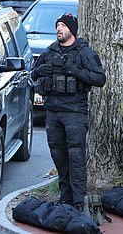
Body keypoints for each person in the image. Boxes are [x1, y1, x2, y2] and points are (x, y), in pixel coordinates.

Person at [31, 13, 106, 209]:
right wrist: (40, 71)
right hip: (53, 112)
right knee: (59, 156)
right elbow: (33, 74)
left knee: (76, 156)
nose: (59, 29)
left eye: (63, 26)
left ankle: (79, 201)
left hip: (74, 112)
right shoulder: (50, 51)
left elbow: (100, 79)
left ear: (71, 30)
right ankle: (66, 198)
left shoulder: (84, 52)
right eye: (57, 25)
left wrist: (73, 70)